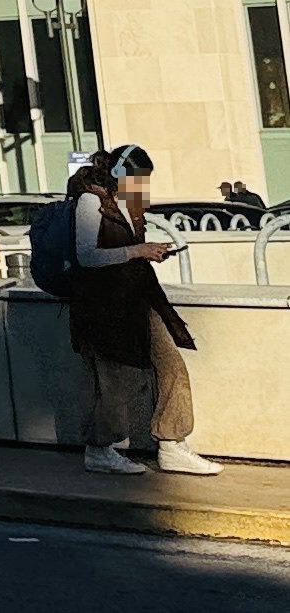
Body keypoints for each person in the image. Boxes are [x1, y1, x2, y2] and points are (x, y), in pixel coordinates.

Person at [63, 144, 218, 476]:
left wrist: (149, 251)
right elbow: (86, 257)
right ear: (120, 173)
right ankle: (99, 449)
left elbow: (130, 250)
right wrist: (137, 251)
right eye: (138, 178)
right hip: (104, 306)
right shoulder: (90, 201)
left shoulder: (128, 203)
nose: (143, 186)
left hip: (138, 300)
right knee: (115, 379)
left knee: (172, 365)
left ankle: (172, 443)